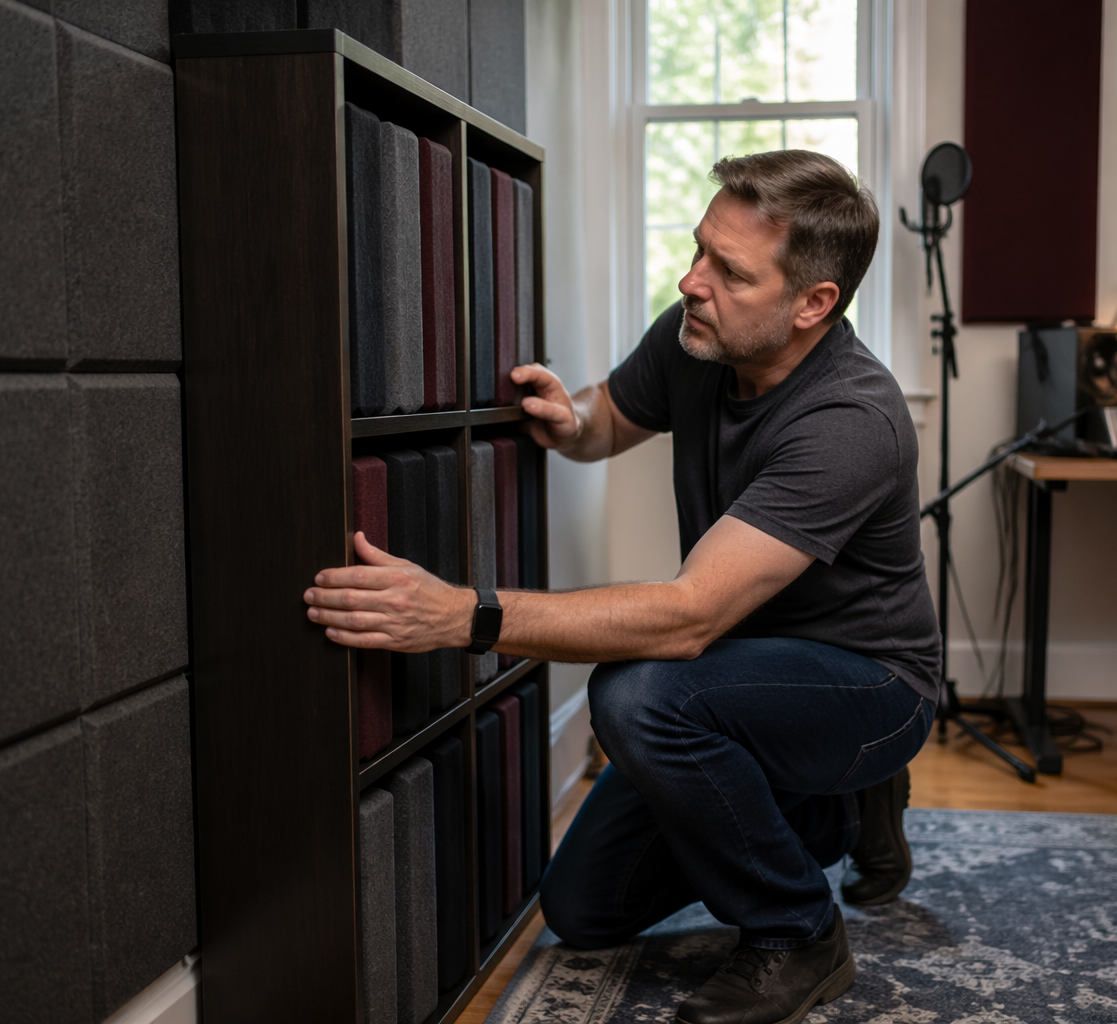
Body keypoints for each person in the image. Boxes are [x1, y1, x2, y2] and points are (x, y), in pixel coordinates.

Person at [303, 149, 941, 1024]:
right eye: (699, 251)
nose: (691, 280)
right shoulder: (700, 337)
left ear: (813, 304)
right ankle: (830, 815)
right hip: (741, 666)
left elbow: (687, 618)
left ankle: (798, 932)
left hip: (867, 681)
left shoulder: (852, 420)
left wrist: (464, 615)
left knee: (640, 696)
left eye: (729, 270)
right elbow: (605, 420)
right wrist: (569, 422)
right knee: (583, 910)